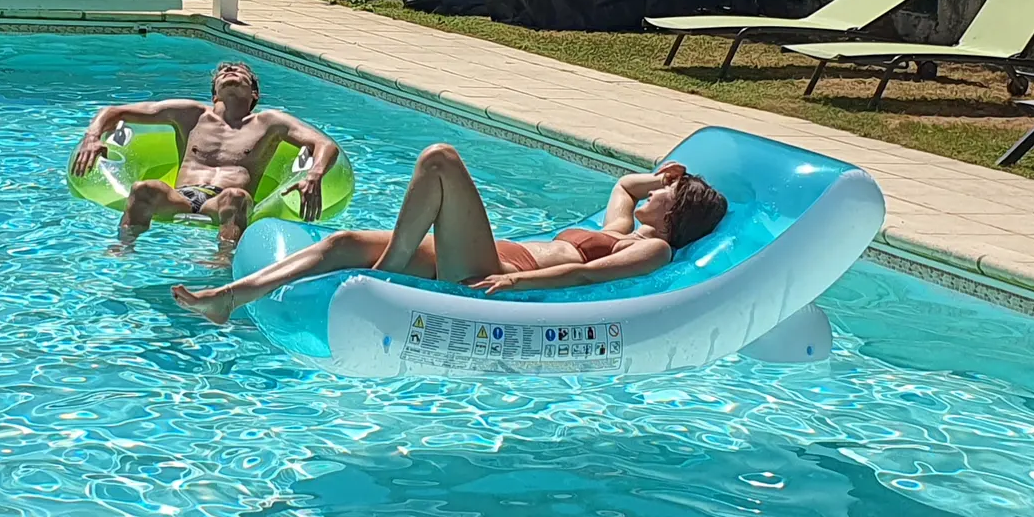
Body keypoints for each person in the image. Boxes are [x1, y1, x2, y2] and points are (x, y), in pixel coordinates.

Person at [171, 142, 727, 324]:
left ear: (676, 217)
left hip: (503, 272)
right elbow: (626, 188)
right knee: (340, 244)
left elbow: (587, 273)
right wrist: (667, 176)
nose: (654, 193)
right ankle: (231, 298)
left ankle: (387, 274)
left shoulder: (652, 247)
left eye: (667, 196)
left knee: (440, 160)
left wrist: (519, 288)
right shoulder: (622, 225)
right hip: (497, 254)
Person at [71, 62, 343, 244]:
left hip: (225, 201)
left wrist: (314, 175)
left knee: (235, 198)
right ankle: (124, 252)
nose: (231, 72)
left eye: (240, 72)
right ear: (214, 94)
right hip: (181, 196)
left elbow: (325, 144)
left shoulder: (270, 123)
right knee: (143, 188)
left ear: (254, 94)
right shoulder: (190, 114)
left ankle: (223, 266)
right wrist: (92, 136)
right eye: (225, 73)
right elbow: (115, 111)